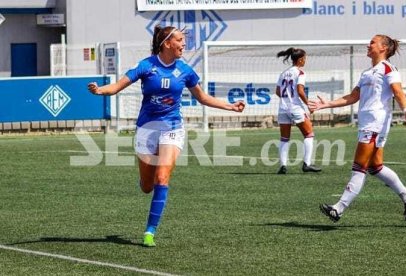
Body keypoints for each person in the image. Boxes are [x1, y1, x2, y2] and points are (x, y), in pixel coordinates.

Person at [88, 25, 245, 246]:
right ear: (167, 43)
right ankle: (145, 182)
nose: (184, 44)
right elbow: (117, 86)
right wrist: (99, 90)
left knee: (162, 178)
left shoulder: (185, 71)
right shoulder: (146, 66)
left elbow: (202, 97)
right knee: (147, 186)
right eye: (180, 40)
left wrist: (230, 107)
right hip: (146, 129)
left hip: (173, 128)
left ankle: (150, 232)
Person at [308, 34, 406, 222]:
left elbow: (398, 91)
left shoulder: (388, 68)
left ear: (383, 48)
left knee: (359, 167)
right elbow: (352, 96)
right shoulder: (367, 73)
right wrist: (326, 105)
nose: (368, 45)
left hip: (375, 123)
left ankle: (338, 208)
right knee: (375, 167)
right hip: (368, 123)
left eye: (372, 42)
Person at [275, 47, 321, 174]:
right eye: (305, 58)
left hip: (283, 108)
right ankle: (307, 164)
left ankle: (283, 166)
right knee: (309, 134)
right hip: (295, 108)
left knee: (284, 138)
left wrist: (287, 99)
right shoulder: (300, 73)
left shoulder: (283, 73)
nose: (305, 61)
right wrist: (308, 104)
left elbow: (278, 91)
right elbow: (300, 91)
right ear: (300, 60)